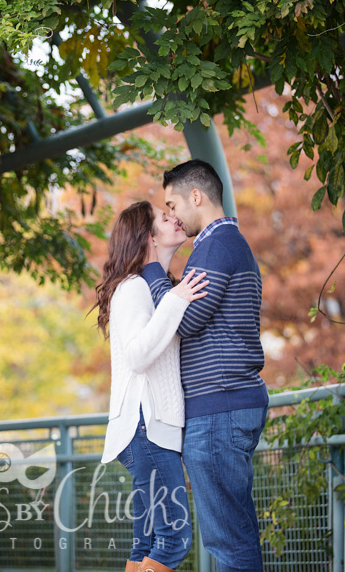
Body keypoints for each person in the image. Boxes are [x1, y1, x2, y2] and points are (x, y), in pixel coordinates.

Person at [141, 160, 268, 572]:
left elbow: (183, 320)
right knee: (235, 534)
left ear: (196, 196)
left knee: (227, 541)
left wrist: (153, 268)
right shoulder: (225, 245)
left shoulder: (217, 246)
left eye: (173, 205)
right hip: (228, 405)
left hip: (219, 409)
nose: (173, 215)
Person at [93, 200, 209, 572]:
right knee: (174, 538)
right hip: (146, 429)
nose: (175, 218)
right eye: (164, 217)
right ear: (148, 237)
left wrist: (173, 299)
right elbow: (137, 356)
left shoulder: (147, 288)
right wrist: (175, 301)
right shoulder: (133, 289)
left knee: (146, 542)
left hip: (147, 430)